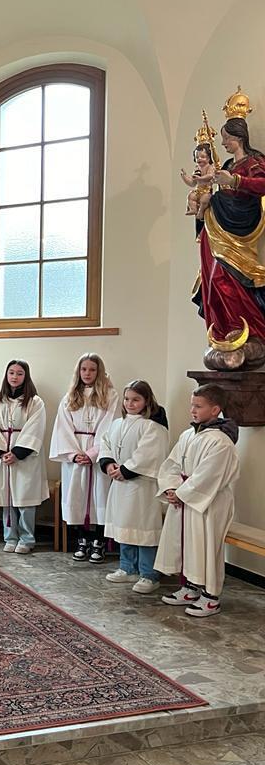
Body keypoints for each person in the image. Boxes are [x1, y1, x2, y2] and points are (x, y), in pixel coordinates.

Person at [155, 384, 239, 617]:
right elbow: (172, 464)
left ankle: (211, 597)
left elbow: (209, 476)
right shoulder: (188, 434)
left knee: (206, 546)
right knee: (187, 544)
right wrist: (171, 487)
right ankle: (190, 587)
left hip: (209, 503)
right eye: (192, 405)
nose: (192, 410)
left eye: (198, 406)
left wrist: (181, 493)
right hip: (184, 498)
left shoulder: (221, 441)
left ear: (215, 410)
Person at [191, 117, 265, 343]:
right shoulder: (227, 165)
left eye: (227, 138)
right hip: (218, 222)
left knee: (227, 277)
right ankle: (223, 329)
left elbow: (263, 185)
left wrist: (235, 181)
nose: (223, 143)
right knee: (212, 278)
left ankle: (244, 328)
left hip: (241, 224)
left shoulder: (254, 162)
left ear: (239, 138)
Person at [99, 380, 170, 594]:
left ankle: (149, 574)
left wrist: (126, 470)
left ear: (147, 401)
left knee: (143, 529)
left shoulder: (152, 426)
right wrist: (108, 464)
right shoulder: (117, 423)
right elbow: (105, 443)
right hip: (120, 484)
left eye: (136, 399)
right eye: (127, 399)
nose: (130, 403)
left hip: (142, 485)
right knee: (124, 526)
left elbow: (149, 453)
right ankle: (127, 568)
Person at [49, 353, 119, 563]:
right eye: (84, 369)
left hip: (99, 453)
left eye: (92, 369)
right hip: (75, 452)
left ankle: (99, 542)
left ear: (99, 372)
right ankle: (81, 540)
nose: (87, 373)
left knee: (100, 496)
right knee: (77, 497)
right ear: (78, 371)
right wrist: (74, 454)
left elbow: (110, 426)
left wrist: (92, 454)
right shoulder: (70, 397)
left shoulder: (110, 395)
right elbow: (62, 428)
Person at [0, 360, 48, 555]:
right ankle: (10, 537)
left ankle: (27, 539)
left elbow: (35, 428)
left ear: (26, 376)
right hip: (2, 455)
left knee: (25, 499)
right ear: (6, 375)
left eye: (19, 373)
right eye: (11, 372)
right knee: (7, 498)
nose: (15, 377)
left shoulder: (35, 402)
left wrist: (17, 453)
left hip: (25, 458)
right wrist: (0, 452)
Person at [181, 143, 215, 217]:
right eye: (197, 157)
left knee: (204, 200)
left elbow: (210, 176)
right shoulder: (197, 169)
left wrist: (200, 178)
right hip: (198, 190)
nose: (199, 159)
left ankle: (201, 211)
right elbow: (192, 183)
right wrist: (184, 177)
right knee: (191, 196)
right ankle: (193, 209)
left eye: (202, 157)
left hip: (207, 191)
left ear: (209, 158)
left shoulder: (209, 167)